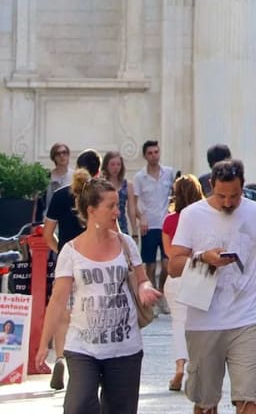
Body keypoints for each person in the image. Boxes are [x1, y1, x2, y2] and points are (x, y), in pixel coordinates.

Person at [36, 173, 161, 414]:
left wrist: (145, 289)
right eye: (111, 206)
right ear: (91, 210)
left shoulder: (126, 244)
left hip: (125, 347)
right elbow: (58, 300)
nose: (117, 212)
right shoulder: (70, 251)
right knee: (78, 406)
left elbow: (142, 279)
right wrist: (44, 344)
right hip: (83, 346)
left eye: (118, 205)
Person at [168, 157, 256, 414]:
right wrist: (203, 257)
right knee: (206, 403)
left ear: (243, 187)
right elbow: (173, 266)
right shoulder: (192, 215)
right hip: (204, 320)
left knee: (249, 398)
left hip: (247, 317)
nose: (228, 202)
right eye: (221, 196)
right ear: (211, 186)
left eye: (235, 196)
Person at [43, 148, 102, 392]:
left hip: (67, 261)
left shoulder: (58, 195)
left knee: (63, 313)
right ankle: (88, 363)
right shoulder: (98, 196)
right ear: (98, 170)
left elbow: (47, 234)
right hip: (94, 259)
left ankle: (59, 358)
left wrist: (61, 251)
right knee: (92, 313)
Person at [161, 173, 203, 392]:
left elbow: (169, 253)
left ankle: (179, 366)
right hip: (198, 274)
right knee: (198, 324)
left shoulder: (169, 221)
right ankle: (195, 370)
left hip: (176, 276)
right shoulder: (203, 218)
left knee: (178, 323)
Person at [132, 138, 176, 293]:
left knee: (167, 262)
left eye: (156, 152)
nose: (154, 156)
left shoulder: (169, 173)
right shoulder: (139, 177)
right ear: (145, 156)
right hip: (149, 225)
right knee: (149, 264)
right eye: (150, 153)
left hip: (166, 224)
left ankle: (162, 291)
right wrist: (141, 216)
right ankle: (153, 295)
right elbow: (134, 202)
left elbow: (175, 195)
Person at [101, 150, 137, 234]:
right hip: (105, 225)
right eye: (112, 164)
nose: (116, 168)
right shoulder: (101, 185)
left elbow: (131, 209)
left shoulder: (128, 185)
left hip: (122, 225)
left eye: (118, 164)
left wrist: (134, 230)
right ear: (106, 166)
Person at [45, 142, 73, 210]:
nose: (61, 156)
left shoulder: (75, 176)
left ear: (68, 155)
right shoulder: (47, 176)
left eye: (64, 152)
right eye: (58, 154)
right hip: (49, 216)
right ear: (53, 157)